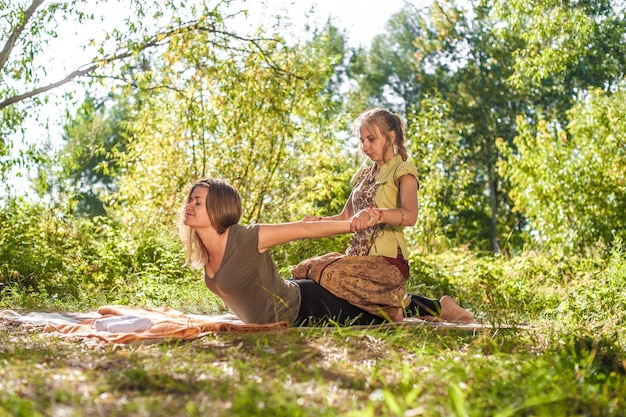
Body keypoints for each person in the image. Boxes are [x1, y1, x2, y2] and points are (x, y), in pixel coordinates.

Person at [298, 107, 473, 324]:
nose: (365, 146)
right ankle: (403, 310)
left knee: (330, 274)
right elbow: (345, 217)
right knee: (305, 268)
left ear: (391, 137)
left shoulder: (403, 171)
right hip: (358, 258)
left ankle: (435, 307)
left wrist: (378, 215)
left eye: (371, 139)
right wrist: (320, 221)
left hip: (388, 262)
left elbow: (410, 216)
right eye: (362, 140)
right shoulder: (362, 176)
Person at [179, 177, 400, 326]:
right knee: (380, 308)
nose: (189, 206)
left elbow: (303, 229)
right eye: (190, 200)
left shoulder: (245, 237)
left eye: (197, 202)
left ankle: (431, 306)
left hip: (308, 307)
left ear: (217, 208)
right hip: (288, 306)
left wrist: (351, 224)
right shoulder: (206, 252)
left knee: (382, 314)